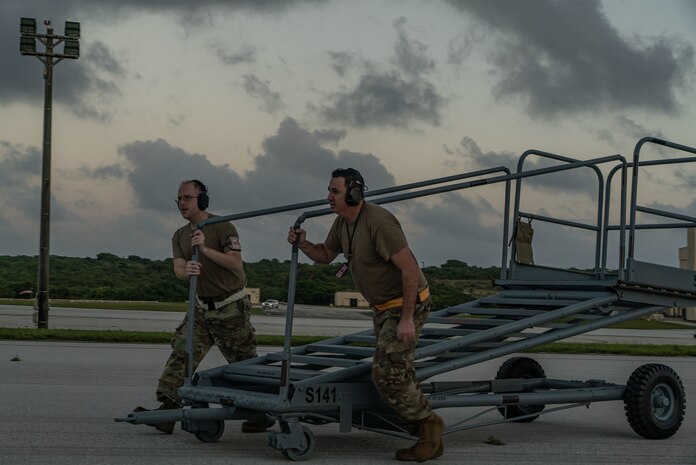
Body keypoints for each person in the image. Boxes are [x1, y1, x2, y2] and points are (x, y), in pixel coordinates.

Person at [287, 168, 443, 462]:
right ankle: (419, 428)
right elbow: (325, 255)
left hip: (405, 304)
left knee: (387, 374)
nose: (329, 197)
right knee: (396, 369)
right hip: (383, 308)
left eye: (335, 191)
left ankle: (428, 427)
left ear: (354, 193)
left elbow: (409, 269)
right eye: (329, 190)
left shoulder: (379, 223)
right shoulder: (342, 223)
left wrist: (408, 318)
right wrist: (303, 243)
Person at [135, 179, 272, 435]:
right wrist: (186, 271)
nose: (182, 203)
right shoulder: (179, 235)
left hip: (230, 308)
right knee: (181, 353)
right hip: (201, 308)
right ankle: (168, 410)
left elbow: (235, 263)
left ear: (203, 200)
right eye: (179, 199)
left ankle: (263, 413)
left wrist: (204, 250)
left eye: (187, 198)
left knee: (244, 365)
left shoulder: (221, 227)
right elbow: (178, 267)